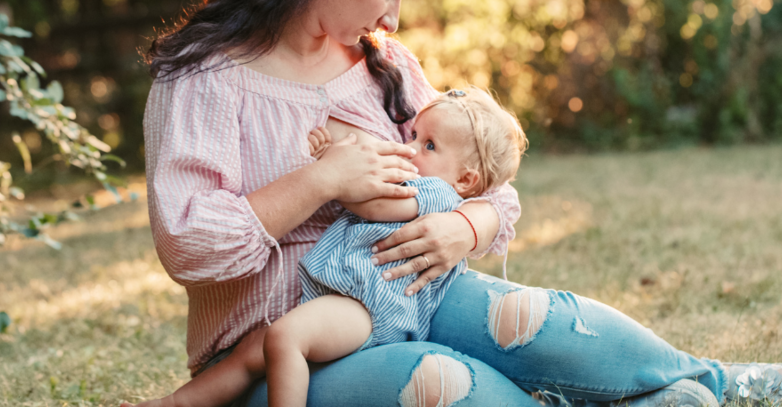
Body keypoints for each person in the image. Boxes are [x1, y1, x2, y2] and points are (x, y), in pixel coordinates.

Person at [135, 0, 782, 407]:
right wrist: (320, 181)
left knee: (528, 318)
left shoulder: (384, 66)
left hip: (412, 296)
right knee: (441, 378)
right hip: (278, 356)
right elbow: (191, 246)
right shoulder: (203, 80)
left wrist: (462, 229)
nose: (396, 20)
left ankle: (708, 381)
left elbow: (488, 181)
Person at [126, 88, 528, 407]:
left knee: (284, 338)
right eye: (414, 135)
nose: (410, 147)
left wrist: (334, 166)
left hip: (371, 310)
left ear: (466, 181)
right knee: (257, 347)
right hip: (344, 297)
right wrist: (330, 163)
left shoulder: (437, 194)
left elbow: (369, 201)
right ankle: (177, 403)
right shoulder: (420, 178)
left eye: (429, 146)